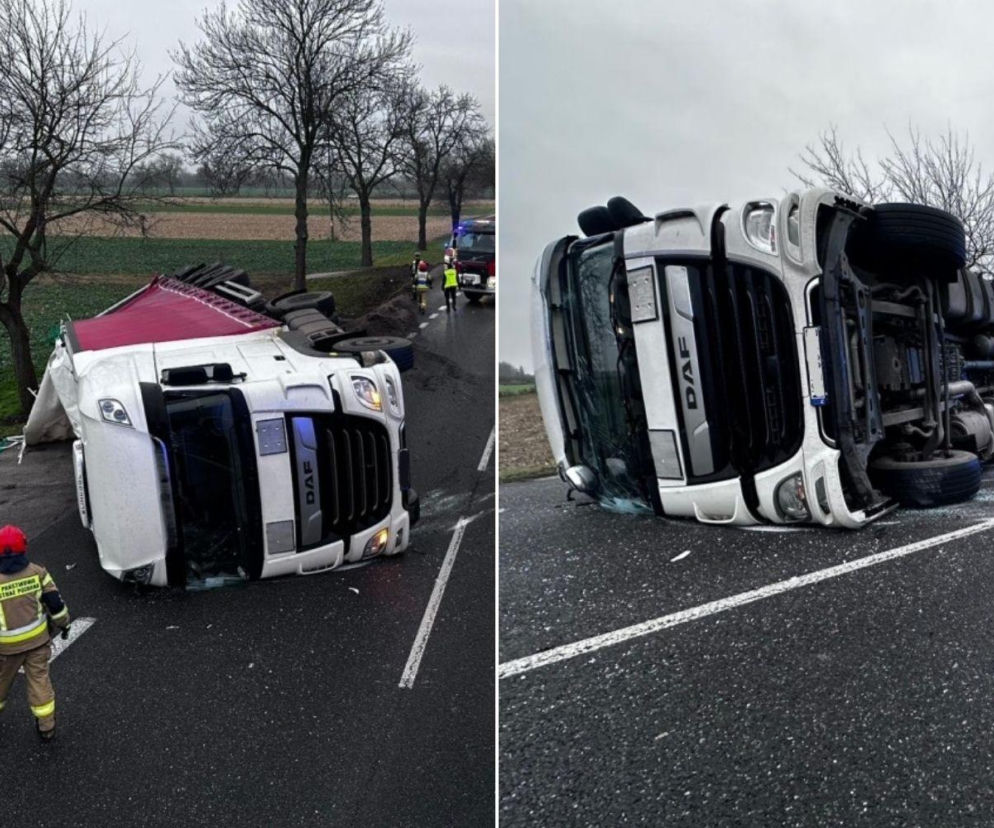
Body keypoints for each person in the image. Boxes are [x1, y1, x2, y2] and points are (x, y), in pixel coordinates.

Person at [0, 525, 70, 742]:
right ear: (24, 546)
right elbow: (56, 605)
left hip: (5, 648)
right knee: (39, 681)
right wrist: (64, 625)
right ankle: (46, 727)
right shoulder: (38, 573)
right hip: (37, 643)